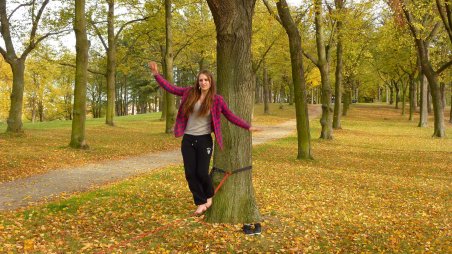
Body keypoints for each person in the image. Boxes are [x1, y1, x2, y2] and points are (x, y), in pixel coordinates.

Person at [148, 61, 258, 216]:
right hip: (188, 140)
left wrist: (247, 126)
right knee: (190, 174)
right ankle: (200, 202)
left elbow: (230, 116)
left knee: (201, 172)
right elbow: (171, 88)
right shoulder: (189, 93)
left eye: (206, 80)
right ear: (198, 82)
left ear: (210, 82)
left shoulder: (217, 100)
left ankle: (209, 195)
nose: (203, 82)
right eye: (201, 80)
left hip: (204, 140)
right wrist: (156, 75)